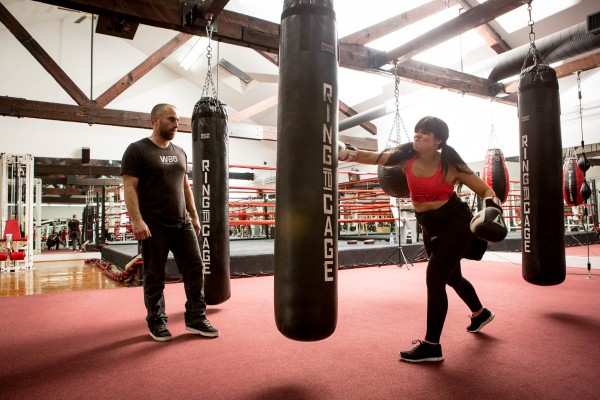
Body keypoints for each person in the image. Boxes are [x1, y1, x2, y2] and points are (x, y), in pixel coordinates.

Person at [339, 116, 502, 362]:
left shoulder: (451, 164)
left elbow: (486, 191)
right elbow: (374, 157)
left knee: (435, 279)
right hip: (430, 225)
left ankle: (431, 345)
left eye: (424, 133)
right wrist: (345, 152)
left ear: (438, 140)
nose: (417, 135)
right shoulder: (406, 157)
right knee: (452, 277)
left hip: (455, 223)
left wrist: (491, 210)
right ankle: (480, 313)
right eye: (416, 131)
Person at [121, 103, 219, 342]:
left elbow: (185, 186)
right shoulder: (137, 150)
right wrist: (137, 220)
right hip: (153, 225)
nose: (176, 125)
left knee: (195, 269)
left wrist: (194, 216)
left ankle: (196, 316)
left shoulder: (179, 152)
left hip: (181, 223)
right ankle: (157, 321)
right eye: (171, 120)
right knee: (155, 275)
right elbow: (129, 188)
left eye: (177, 121)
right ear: (155, 120)